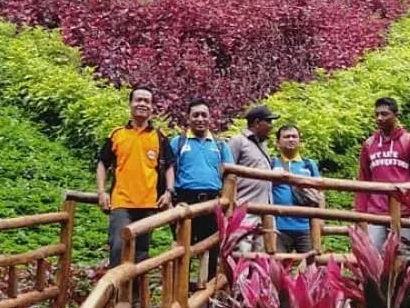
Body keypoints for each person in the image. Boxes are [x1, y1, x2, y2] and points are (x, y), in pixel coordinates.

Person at [96, 85, 175, 267]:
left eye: (147, 101)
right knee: (118, 246)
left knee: (140, 253)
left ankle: (136, 295)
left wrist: (169, 191)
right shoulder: (117, 135)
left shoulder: (159, 137)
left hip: (148, 203)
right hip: (121, 202)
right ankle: (115, 293)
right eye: (138, 100)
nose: (142, 104)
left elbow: (170, 166)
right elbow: (102, 163)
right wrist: (101, 192)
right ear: (130, 104)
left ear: (152, 107)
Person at [169, 97, 232, 279]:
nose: (200, 119)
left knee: (212, 248)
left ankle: (206, 295)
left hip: (213, 202)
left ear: (210, 118)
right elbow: (168, 171)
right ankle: (180, 292)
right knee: (183, 247)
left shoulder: (220, 145)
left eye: (204, 115)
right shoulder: (178, 142)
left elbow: (231, 175)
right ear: (188, 118)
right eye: (195, 115)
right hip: (184, 201)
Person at [355, 96, 410, 250]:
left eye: (384, 114)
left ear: (396, 116)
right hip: (375, 213)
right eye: (377, 114)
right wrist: (360, 214)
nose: (379, 118)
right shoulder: (369, 144)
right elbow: (363, 180)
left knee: (405, 257)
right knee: (374, 257)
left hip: (405, 213)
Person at [228, 104, 277, 249]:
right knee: (242, 253)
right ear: (256, 123)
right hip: (245, 211)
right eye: (268, 122)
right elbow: (227, 173)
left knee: (260, 258)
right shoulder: (238, 141)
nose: (271, 126)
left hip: (265, 210)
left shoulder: (263, 146)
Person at [271, 123, 323, 254]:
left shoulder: (309, 165)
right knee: (278, 267)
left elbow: (320, 193)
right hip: (279, 228)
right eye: (286, 137)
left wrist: (321, 220)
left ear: (300, 141)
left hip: (306, 227)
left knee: (310, 268)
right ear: (278, 142)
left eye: (294, 136)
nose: (291, 139)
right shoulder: (271, 163)